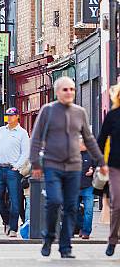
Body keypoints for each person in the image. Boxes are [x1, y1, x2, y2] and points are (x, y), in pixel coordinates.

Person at [30, 76, 106, 259]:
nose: (70, 92)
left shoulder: (80, 112)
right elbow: (36, 138)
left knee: (72, 206)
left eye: (72, 89)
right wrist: (35, 163)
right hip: (52, 165)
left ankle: (66, 247)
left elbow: (89, 139)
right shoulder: (47, 111)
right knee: (54, 201)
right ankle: (48, 237)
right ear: (57, 92)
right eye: (65, 89)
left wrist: (102, 162)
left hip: (74, 167)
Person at [0, 107, 30, 237]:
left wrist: (17, 166)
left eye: (12, 115)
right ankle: (6, 220)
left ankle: (13, 227)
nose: (9, 118)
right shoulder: (0, 131)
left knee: (15, 199)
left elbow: (25, 152)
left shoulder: (22, 133)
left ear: (17, 116)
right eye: (7, 115)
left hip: (13, 170)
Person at [98, 83, 120, 256]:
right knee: (117, 204)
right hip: (115, 166)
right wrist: (101, 163)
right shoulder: (113, 116)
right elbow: (101, 139)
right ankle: (112, 240)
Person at [76, 138, 96, 239]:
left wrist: (93, 171)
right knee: (74, 209)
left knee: (89, 210)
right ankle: (81, 226)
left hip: (88, 187)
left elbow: (98, 167)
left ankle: (86, 232)